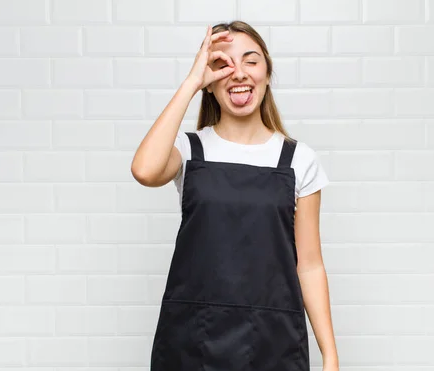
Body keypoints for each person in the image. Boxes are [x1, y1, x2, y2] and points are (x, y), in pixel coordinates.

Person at [131, 20, 339, 370]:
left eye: (251, 61)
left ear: (268, 73)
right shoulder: (189, 149)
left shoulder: (298, 159)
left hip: (274, 341)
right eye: (222, 64)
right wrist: (192, 82)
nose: (238, 73)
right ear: (210, 83)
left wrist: (330, 354)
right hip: (192, 341)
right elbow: (145, 171)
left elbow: (310, 265)